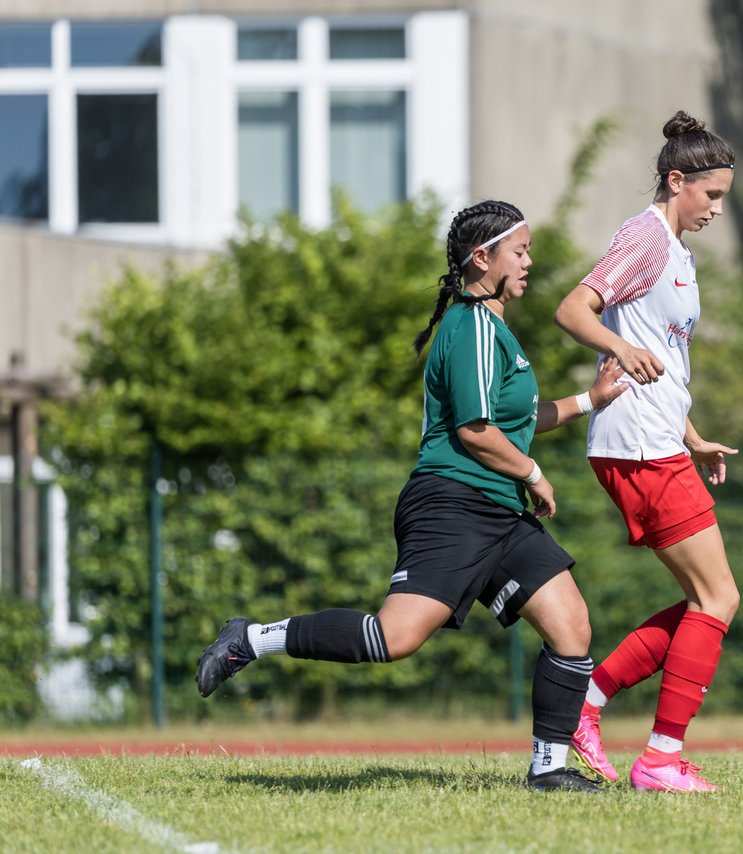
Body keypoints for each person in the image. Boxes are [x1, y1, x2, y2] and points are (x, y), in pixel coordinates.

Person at [195, 200, 625, 793]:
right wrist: (532, 474)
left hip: (497, 509)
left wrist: (589, 401)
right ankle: (250, 638)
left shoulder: (494, 328)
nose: (529, 261)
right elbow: (477, 433)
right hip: (453, 502)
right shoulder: (471, 324)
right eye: (519, 251)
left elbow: (517, 416)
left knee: (571, 623)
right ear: (483, 258)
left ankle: (549, 769)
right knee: (392, 639)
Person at [553, 111, 739, 793]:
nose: (717, 209)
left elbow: (667, 355)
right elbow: (574, 309)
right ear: (676, 179)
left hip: (658, 442)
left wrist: (693, 436)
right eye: (711, 195)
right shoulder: (645, 237)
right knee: (717, 598)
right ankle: (659, 758)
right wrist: (618, 349)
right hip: (635, 447)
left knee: (706, 601)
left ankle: (589, 706)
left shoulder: (678, 250)